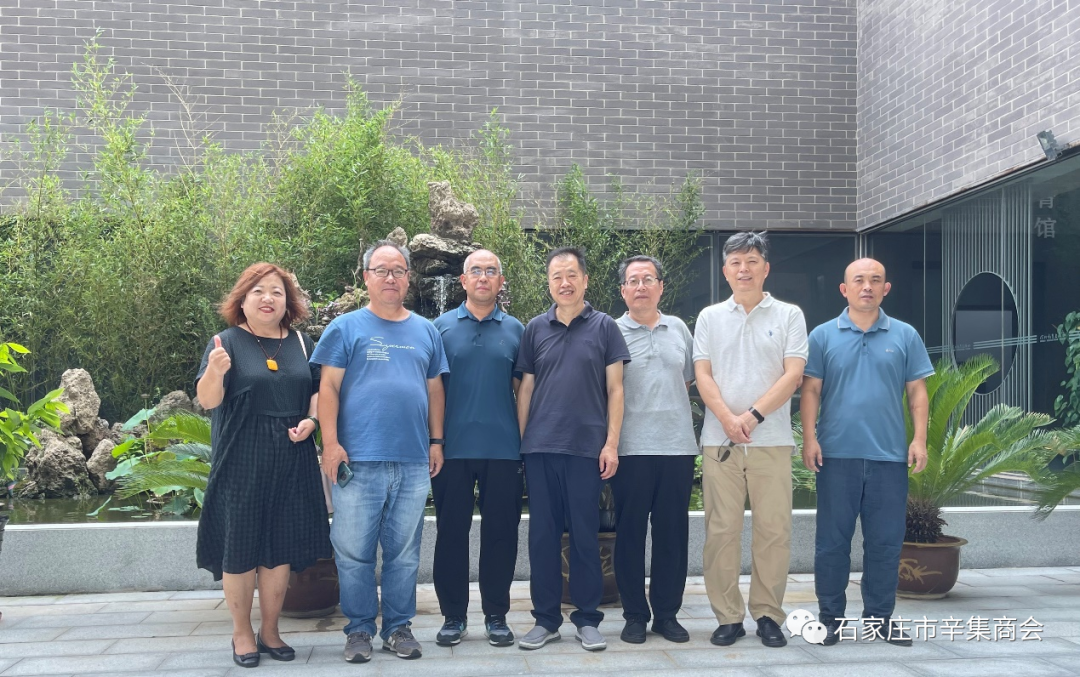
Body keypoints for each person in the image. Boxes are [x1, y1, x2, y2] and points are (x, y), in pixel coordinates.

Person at [310, 240, 449, 663]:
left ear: (408, 278)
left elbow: (435, 390)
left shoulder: (426, 330)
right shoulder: (345, 328)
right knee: (353, 551)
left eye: (399, 271)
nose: (391, 278)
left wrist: (437, 441)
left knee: (404, 552)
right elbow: (328, 388)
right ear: (366, 277)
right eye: (382, 270)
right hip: (358, 459)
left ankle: (398, 627)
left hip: (413, 460)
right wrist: (330, 444)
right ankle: (358, 629)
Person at [195, 262, 331, 669]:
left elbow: (317, 390)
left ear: (288, 302)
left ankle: (270, 631)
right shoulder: (225, 342)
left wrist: (313, 421)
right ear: (242, 300)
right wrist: (215, 372)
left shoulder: (302, 343)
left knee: (279, 547)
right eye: (258, 291)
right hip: (241, 456)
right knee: (240, 547)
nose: (267, 298)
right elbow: (208, 401)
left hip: (292, 454)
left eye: (276, 291)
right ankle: (241, 632)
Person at [800, 258, 933, 647]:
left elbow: (917, 392)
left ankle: (879, 619)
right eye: (858, 280)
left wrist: (919, 439)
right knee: (831, 544)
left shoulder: (905, 335)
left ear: (886, 288)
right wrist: (809, 438)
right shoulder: (822, 336)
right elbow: (810, 390)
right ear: (844, 289)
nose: (867, 287)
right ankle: (831, 620)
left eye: (875, 280)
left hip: (888, 458)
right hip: (836, 457)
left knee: (885, 544)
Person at [693, 231, 808, 648]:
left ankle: (768, 614)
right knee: (720, 531)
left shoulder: (789, 315)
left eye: (752, 261)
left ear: (766, 268)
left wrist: (752, 416)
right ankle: (728, 617)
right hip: (719, 441)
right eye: (736, 262)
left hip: (771, 439)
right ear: (725, 271)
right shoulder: (709, 317)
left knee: (773, 530)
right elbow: (702, 374)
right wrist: (728, 419)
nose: (744, 269)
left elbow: (793, 374)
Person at [515, 246, 631, 652]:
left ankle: (587, 619)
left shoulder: (605, 327)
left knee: (584, 535)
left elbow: (616, 390)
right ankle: (546, 620)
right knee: (542, 538)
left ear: (585, 280)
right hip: (540, 449)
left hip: (586, 450)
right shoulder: (535, 328)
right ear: (549, 283)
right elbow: (525, 389)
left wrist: (611, 444)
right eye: (556, 276)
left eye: (571, 275)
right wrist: (523, 444)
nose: (564, 283)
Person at [431, 249, 526, 648]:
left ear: (501, 281)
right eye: (476, 271)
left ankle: (496, 616)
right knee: (451, 533)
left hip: (504, 450)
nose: (483, 277)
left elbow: (525, 391)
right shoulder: (439, 328)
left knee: (501, 534)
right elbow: (431, 390)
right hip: (451, 449)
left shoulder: (518, 330)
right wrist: (435, 441)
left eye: (491, 271)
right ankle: (453, 616)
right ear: (463, 280)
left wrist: (525, 442)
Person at [611, 255, 698, 645]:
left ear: (661, 287)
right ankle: (634, 615)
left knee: (672, 535)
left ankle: (666, 614)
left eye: (648, 279)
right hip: (630, 450)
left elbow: (688, 380)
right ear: (623, 291)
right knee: (629, 534)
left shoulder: (678, 329)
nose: (641, 286)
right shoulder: (611, 332)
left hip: (677, 448)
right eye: (633, 280)